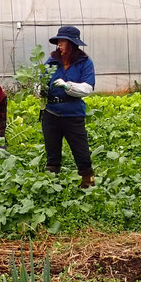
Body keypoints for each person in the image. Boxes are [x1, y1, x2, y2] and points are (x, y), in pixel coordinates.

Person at [42, 26, 95, 187]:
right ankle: (52, 186)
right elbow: (41, 82)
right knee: (52, 153)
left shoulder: (84, 63)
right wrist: (40, 89)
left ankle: (88, 182)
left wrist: (68, 86)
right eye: (58, 42)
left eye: (62, 42)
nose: (59, 45)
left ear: (72, 44)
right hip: (51, 113)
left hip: (73, 114)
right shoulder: (51, 62)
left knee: (81, 151)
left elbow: (88, 88)